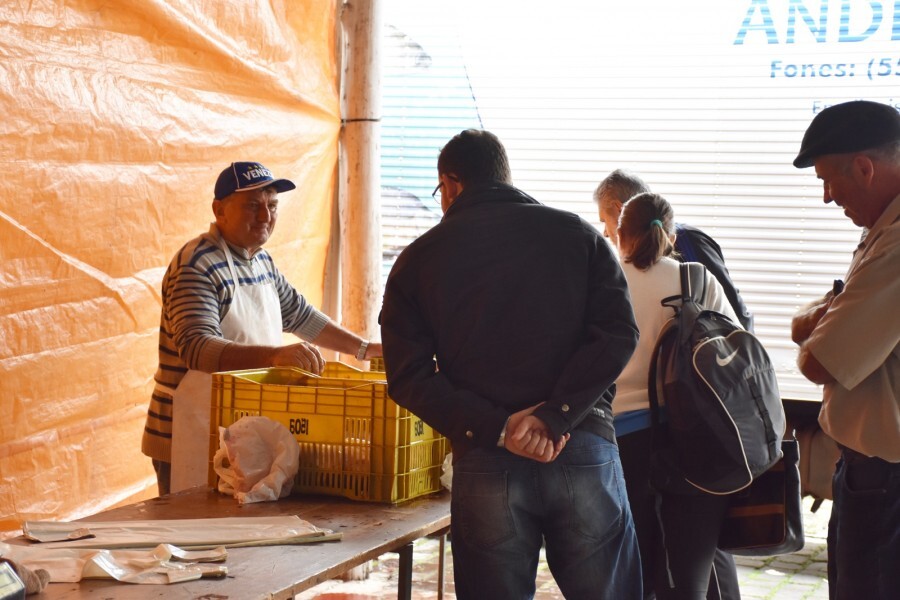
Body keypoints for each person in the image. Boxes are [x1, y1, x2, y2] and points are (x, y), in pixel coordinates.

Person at [380, 129, 642, 599]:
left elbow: (407, 375)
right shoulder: (579, 236)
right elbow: (619, 333)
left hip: (487, 459)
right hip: (581, 446)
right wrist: (555, 415)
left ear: (452, 184)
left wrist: (500, 427)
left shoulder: (419, 259)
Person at [143, 161, 381, 496]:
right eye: (252, 206)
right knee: (195, 539)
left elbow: (301, 316)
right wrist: (275, 356)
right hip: (188, 432)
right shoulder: (197, 264)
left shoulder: (260, 261)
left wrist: (364, 348)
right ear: (219, 210)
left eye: (272, 206)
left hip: (236, 432)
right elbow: (197, 349)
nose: (265, 217)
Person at [595, 170, 745, 600]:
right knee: (692, 570)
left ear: (618, 233)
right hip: (693, 439)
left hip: (620, 445)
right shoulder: (695, 279)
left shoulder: (603, 280)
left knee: (633, 563)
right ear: (672, 235)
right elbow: (736, 354)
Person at [789, 100, 900, 600]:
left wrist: (821, 325)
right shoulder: (880, 232)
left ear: (864, 167)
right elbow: (811, 323)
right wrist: (826, 318)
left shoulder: (896, 243)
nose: (829, 198)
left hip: (886, 479)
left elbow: (818, 361)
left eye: (828, 181)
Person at [594, 169, 753, 331]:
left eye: (604, 221)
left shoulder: (689, 240)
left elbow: (733, 314)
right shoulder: (617, 277)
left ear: (620, 211)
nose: (605, 233)